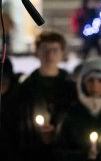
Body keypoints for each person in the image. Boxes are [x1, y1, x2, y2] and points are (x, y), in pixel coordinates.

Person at [16, 30, 77, 161]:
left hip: (63, 151)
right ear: (37, 52)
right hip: (32, 151)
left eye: (55, 50)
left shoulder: (71, 88)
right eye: (45, 49)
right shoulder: (26, 87)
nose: (50, 55)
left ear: (62, 54)